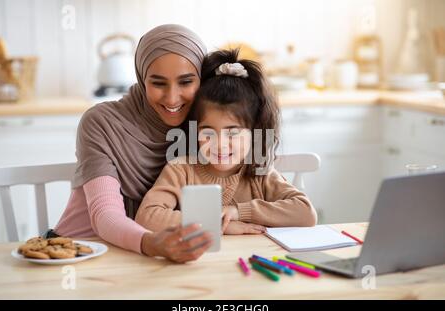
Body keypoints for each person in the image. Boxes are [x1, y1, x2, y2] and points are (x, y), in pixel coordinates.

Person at [51, 24, 213, 263]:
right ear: (141, 77)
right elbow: (105, 214)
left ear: (202, 80)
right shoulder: (102, 123)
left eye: (186, 82)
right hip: (81, 254)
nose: (172, 97)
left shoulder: (205, 127)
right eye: (158, 83)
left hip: (154, 260)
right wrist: (152, 243)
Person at [135, 49, 317, 234]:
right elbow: (147, 216)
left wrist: (239, 211)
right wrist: (221, 225)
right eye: (207, 132)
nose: (220, 144)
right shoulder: (181, 169)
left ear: (254, 132)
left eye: (232, 133)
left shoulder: (259, 172)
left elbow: (306, 213)